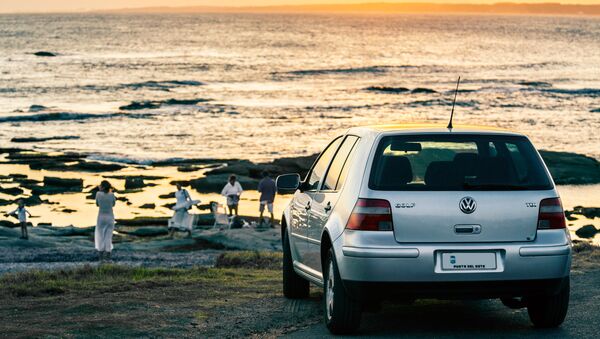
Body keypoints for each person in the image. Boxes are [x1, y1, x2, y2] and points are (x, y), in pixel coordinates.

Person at [95, 180, 116, 262]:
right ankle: (108, 256)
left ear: (102, 186)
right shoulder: (112, 195)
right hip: (110, 217)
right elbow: (113, 204)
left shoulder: (98, 194)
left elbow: (97, 204)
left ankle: (101, 256)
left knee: (100, 236)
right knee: (108, 236)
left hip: (101, 217)